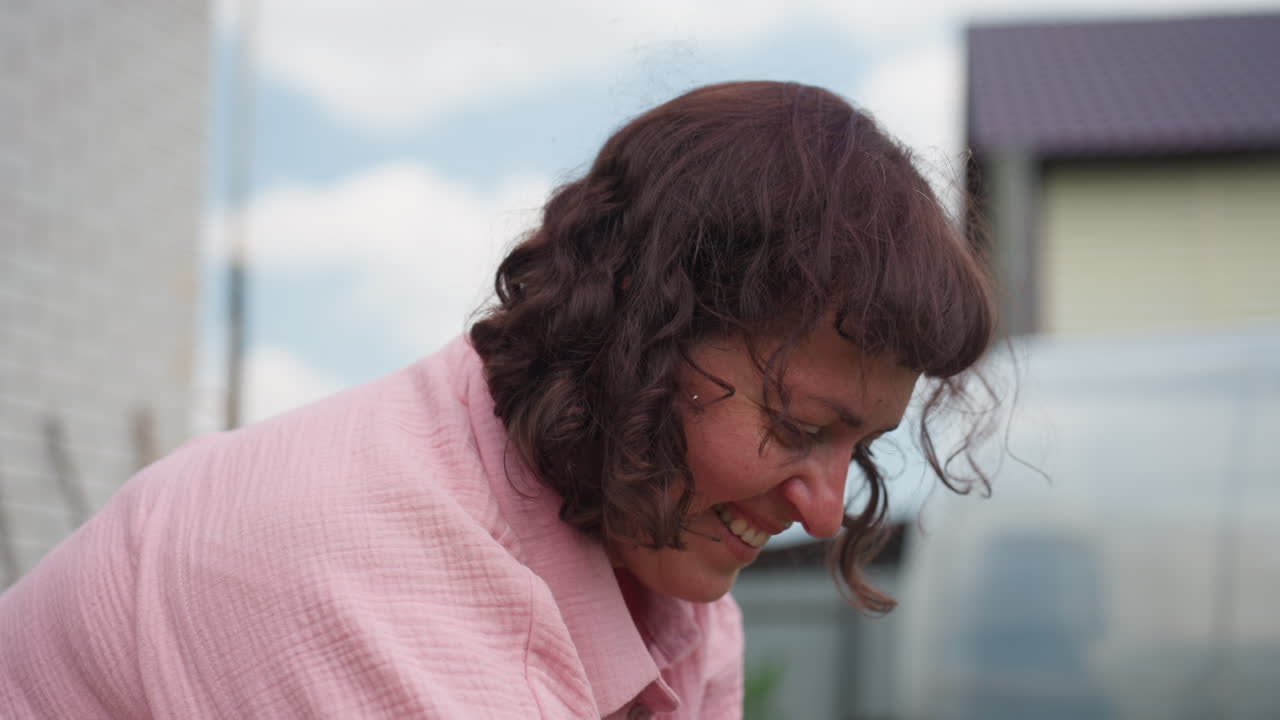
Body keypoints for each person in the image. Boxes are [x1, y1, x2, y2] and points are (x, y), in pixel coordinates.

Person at [0, 81, 996, 718]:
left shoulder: (668, 586)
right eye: (794, 427)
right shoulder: (373, 579)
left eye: (856, 447)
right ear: (633, 337)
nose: (822, 512)